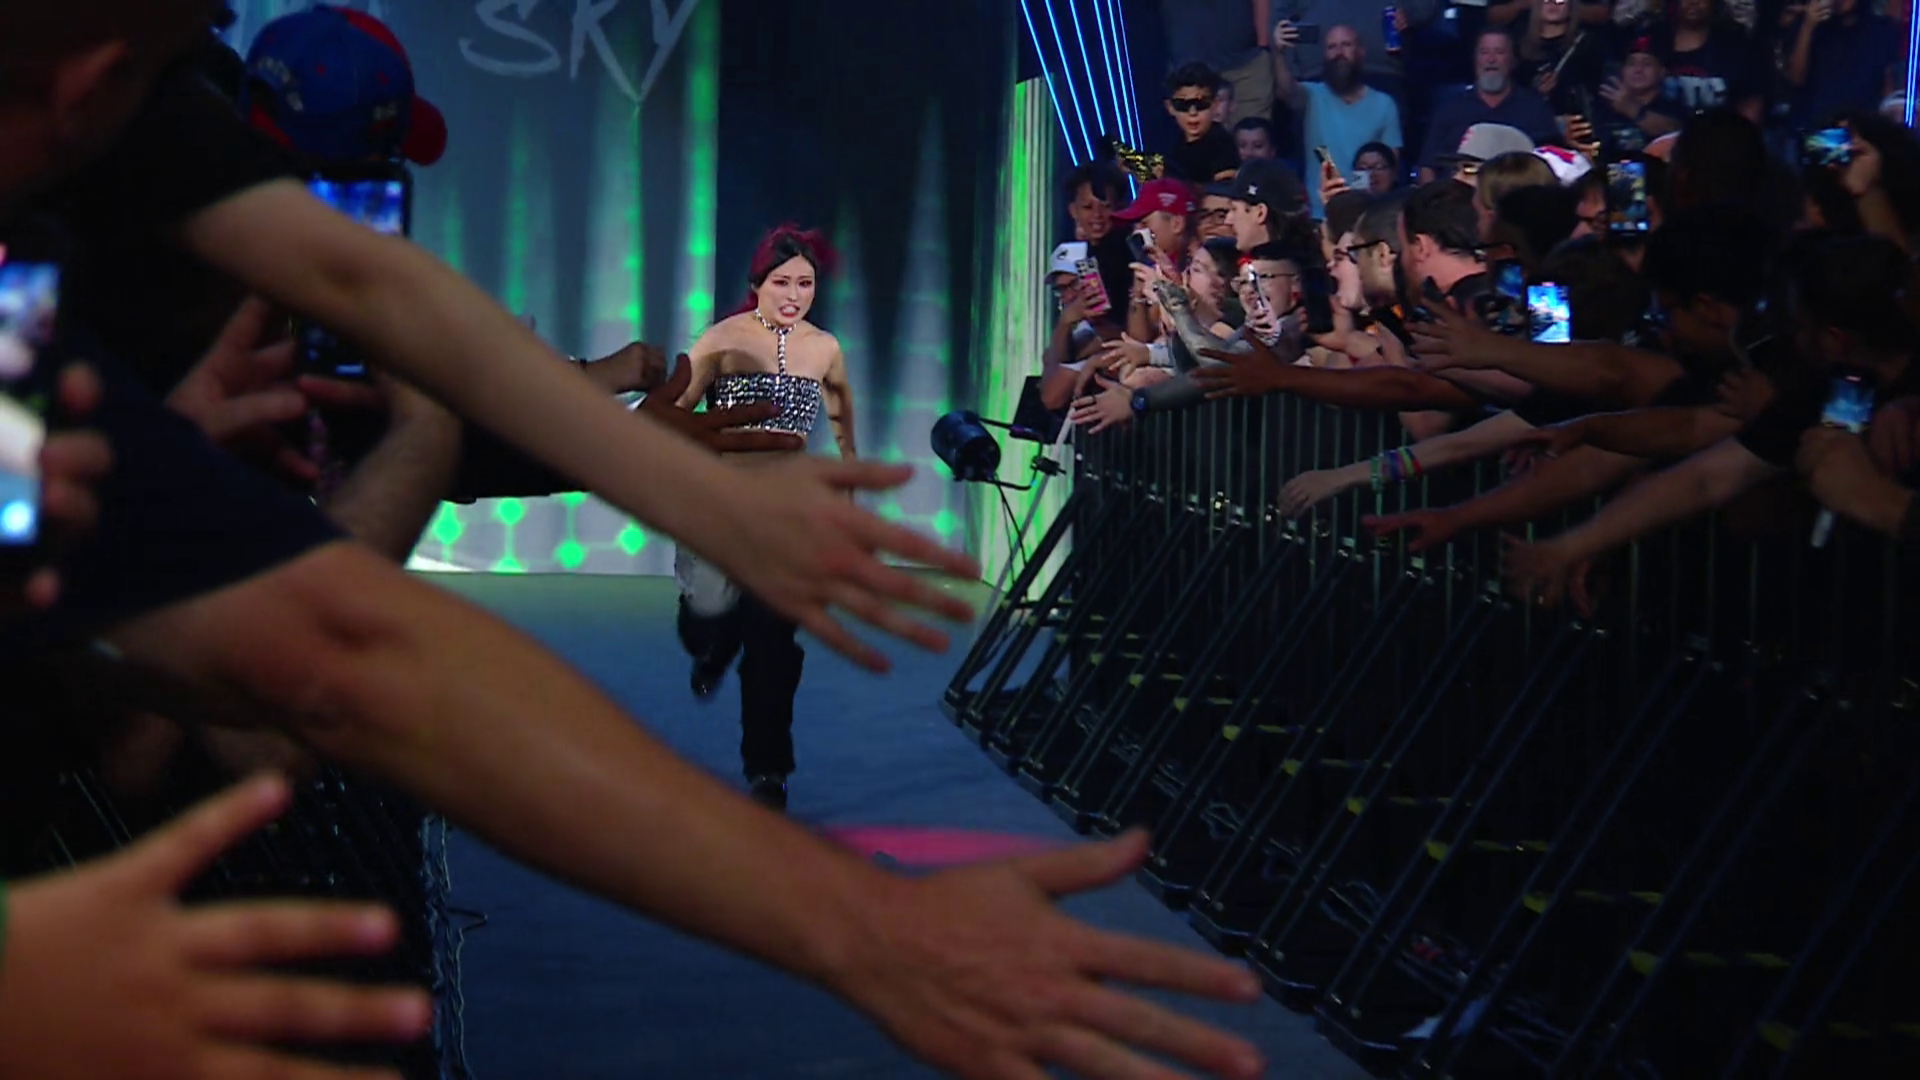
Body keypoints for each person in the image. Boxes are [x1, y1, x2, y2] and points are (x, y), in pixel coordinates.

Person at [0, 5, 1274, 1079]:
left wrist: (690, 491)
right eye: (171, 55)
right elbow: (286, 674)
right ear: (85, 79)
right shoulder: (49, 285)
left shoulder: (48, 273)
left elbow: (365, 321)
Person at [673, 226, 857, 811]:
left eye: (805, 284)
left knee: (774, 645)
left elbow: (841, 419)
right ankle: (715, 641)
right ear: (757, 284)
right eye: (782, 283)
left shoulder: (824, 348)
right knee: (704, 621)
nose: (794, 295)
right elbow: (674, 411)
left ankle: (768, 770)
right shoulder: (721, 340)